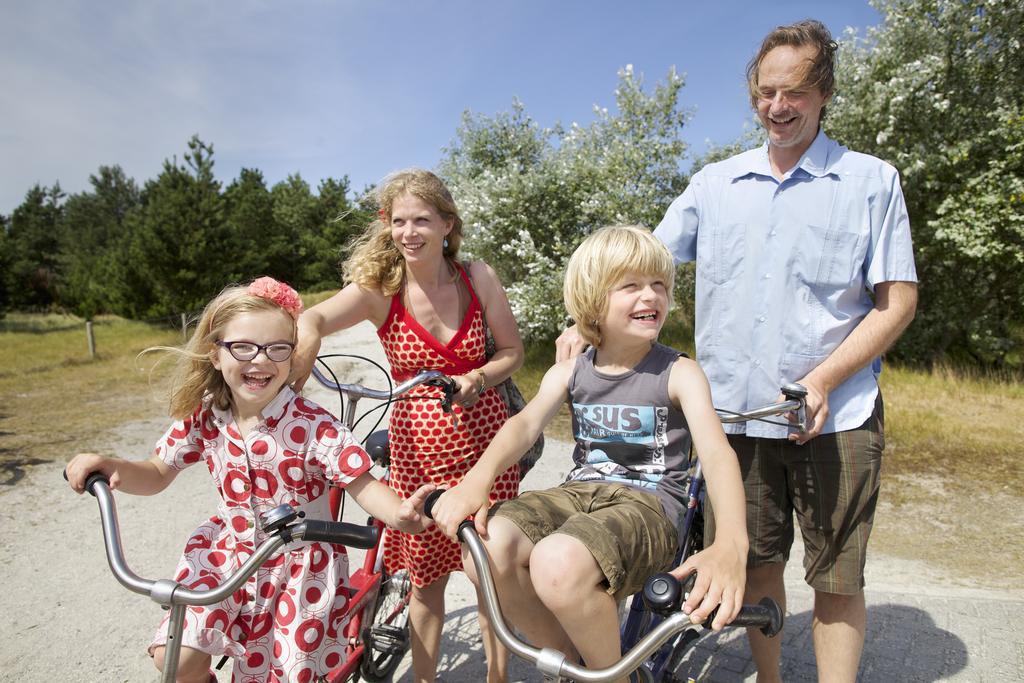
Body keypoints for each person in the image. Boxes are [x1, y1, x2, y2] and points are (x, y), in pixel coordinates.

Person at [559, 20, 918, 683]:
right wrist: (586, 320)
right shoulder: (714, 185)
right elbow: (639, 262)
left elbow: (897, 302)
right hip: (735, 422)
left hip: (835, 416)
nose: (778, 107)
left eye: (795, 92)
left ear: (825, 92)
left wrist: (824, 379)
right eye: (765, 93)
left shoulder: (871, 180)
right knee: (754, 563)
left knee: (837, 578)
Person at [65, 277, 435, 683]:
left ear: (292, 357)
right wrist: (112, 466)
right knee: (176, 658)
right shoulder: (205, 417)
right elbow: (155, 472)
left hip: (298, 570)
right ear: (215, 354)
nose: (261, 361)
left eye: (277, 349)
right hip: (226, 555)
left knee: (283, 674)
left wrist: (399, 513)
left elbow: (361, 484)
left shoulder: (313, 426)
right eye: (243, 347)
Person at [432, 225, 749, 683]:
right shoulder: (572, 371)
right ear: (593, 300)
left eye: (659, 284)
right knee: (485, 544)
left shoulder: (679, 372)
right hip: (582, 491)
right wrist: (474, 482)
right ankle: (577, 662)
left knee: (557, 562)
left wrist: (731, 545)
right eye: (631, 285)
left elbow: (718, 455)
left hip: (650, 504)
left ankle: (613, 676)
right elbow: (523, 425)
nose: (651, 295)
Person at [290, 169, 523, 683]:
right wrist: (303, 349)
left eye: (422, 219)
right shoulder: (380, 290)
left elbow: (513, 352)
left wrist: (478, 377)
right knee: (426, 585)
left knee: (490, 578)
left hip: (487, 451)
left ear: (447, 223)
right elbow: (315, 319)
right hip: (419, 457)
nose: (409, 232)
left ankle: (498, 679)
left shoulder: (476, 277)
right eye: (398, 221)